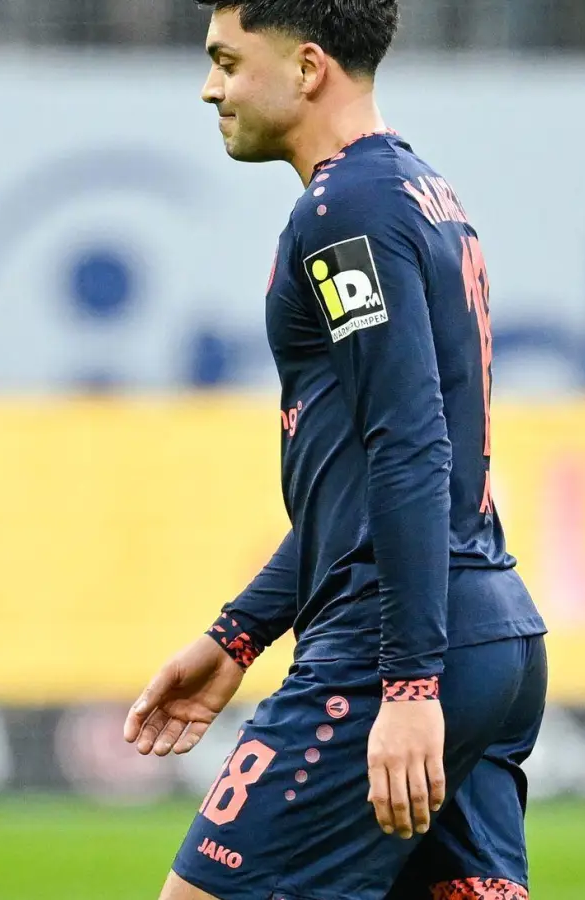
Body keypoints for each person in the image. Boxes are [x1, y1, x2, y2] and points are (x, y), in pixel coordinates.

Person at [123, 3, 549, 898]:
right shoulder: (420, 193)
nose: (210, 89)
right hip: (489, 633)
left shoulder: (344, 209)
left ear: (308, 68)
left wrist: (408, 684)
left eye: (227, 62)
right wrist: (240, 633)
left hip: (393, 642)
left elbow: (409, 446)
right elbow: (361, 485)